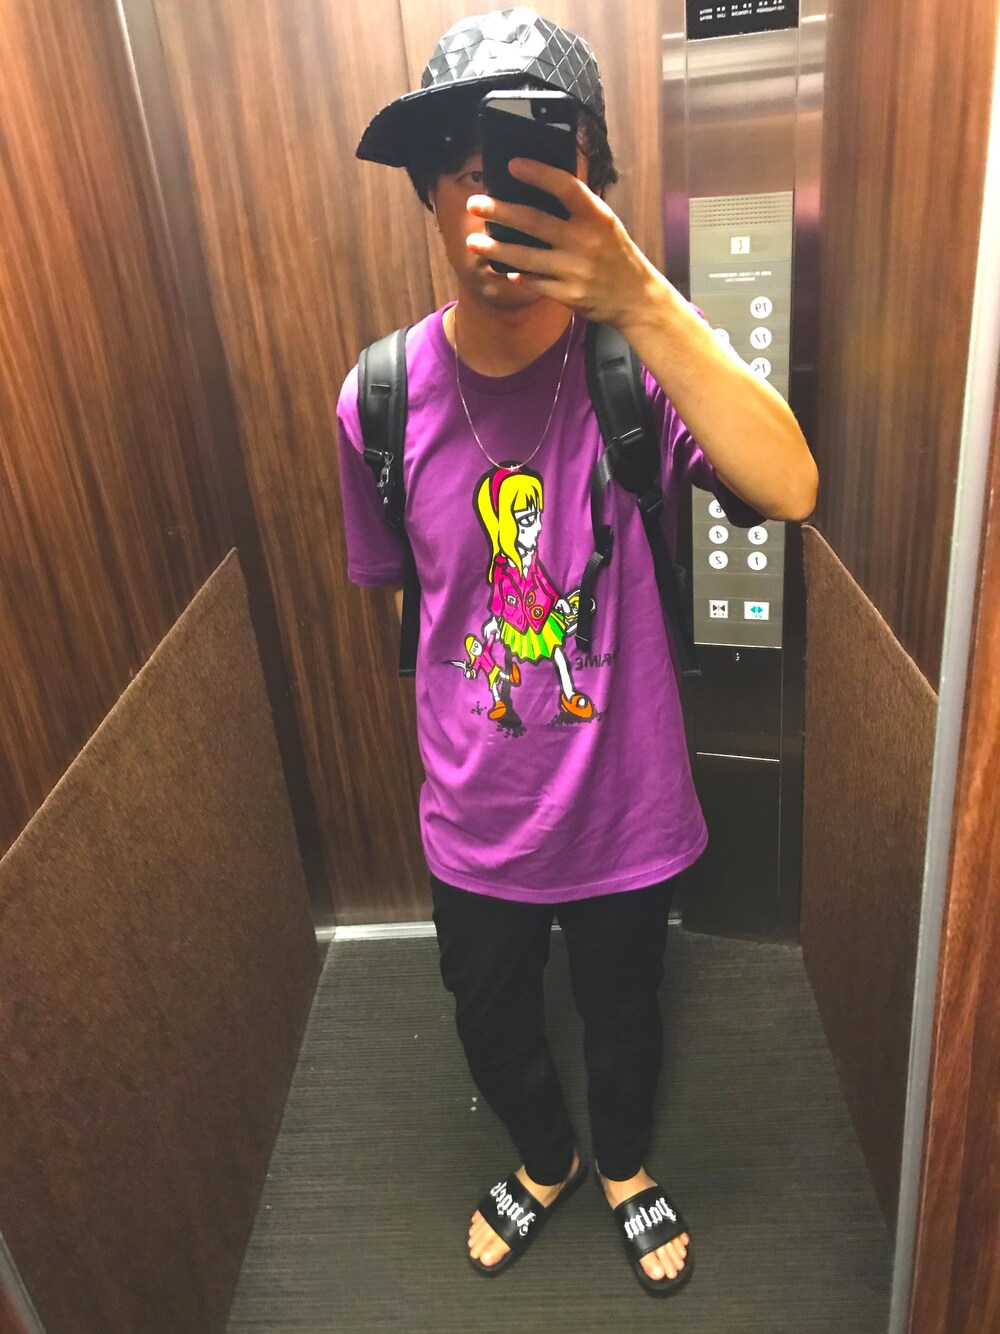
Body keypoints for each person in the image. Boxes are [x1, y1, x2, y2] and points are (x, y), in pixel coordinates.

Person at [337, 6, 817, 1298]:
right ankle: (544, 1159)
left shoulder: (635, 369)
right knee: (489, 1014)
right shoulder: (377, 396)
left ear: (593, 190)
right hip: (475, 812)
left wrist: (642, 295)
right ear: (430, 191)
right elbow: (413, 601)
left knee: (624, 1007)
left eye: (545, 173)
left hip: (627, 800)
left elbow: (790, 485)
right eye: (469, 170)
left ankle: (621, 1164)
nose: (498, 204)